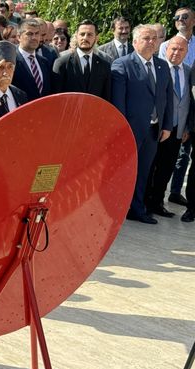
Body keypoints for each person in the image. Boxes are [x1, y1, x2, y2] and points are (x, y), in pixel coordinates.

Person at [111, 24, 173, 224]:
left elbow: (167, 99)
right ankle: (115, 209)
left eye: (154, 38)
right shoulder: (122, 64)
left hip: (153, 131)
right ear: (135, 41)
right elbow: (118, 102)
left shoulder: (163, 66)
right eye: (146, 38)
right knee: (123, 171)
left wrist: (166, 126)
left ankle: (136, 209)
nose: (152, 42)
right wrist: (122, 129)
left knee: (144, 171)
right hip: (130, 129)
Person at [145, 36, 191, 218]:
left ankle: (157, 203)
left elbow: (188, 101)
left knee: (166, 169)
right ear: (165, 49)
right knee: (151, 167)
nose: (176, 53)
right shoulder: (158, 68)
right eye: (173, 49)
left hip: (178, 129)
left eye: (181, 50)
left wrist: (186, 126)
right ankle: (145, 202)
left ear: (186, 53)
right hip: (158, 128)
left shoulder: (188, 71)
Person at [52, 19, 111, 101]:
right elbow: (55, 98)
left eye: (89, 35)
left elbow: (106, 98)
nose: (85, 38)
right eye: (82, 34)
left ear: (96, 38)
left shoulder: (104, 66)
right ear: (76, 36)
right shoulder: (62, 63)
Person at [11, 19, 52, 102]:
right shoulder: (10, 61)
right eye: (29, 34)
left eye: (37, 33)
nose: (34, 37)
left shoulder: (44, 62)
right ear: (18, 37)